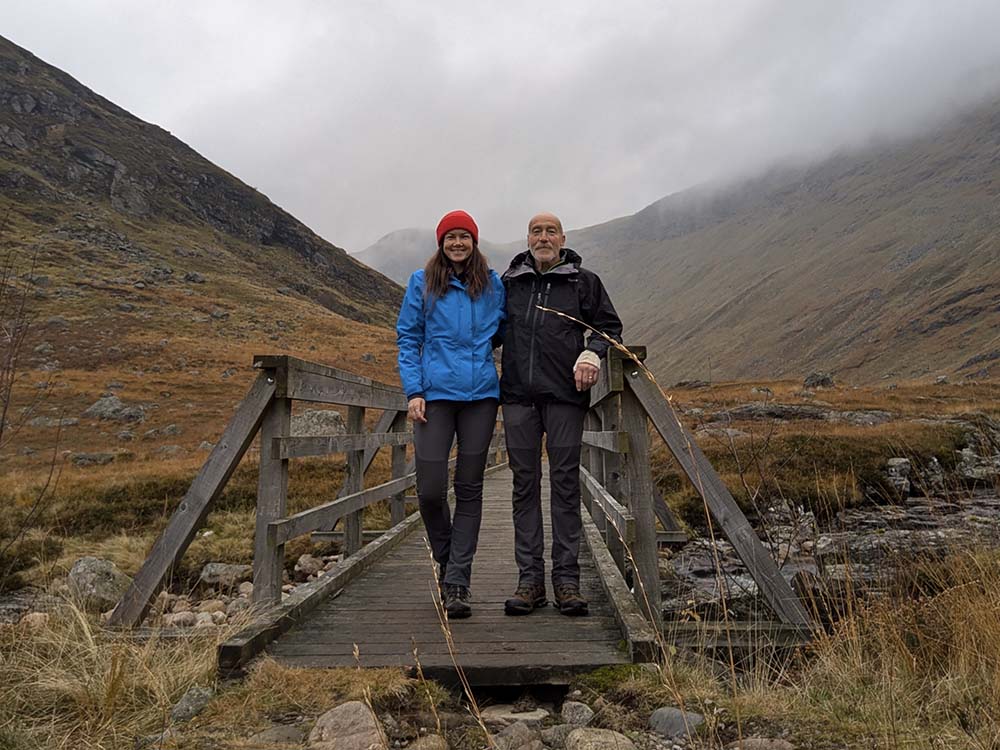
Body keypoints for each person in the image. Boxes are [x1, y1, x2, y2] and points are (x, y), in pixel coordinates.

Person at [499, 212, 623, 616]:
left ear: (562, 238)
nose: (543, 237)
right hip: (518, 397)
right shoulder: (510, 283)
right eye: (537, 231)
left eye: (550, 231)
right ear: (528, 238)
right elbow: (488, 332)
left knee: (565, 484)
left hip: (566, 398)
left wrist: (593, 352)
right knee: (524, 485)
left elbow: (608, 328)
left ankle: (567, 581)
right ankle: (530, 581)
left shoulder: (583, 282)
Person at [396, 210, 506, 619]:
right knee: (429, 490)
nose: (458, 243)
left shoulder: (493, 285)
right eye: (451, 237)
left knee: (470, 487)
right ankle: (448, 560)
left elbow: (507, 331)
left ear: (474, 241)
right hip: (435, 397)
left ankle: (458, 582)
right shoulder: (421, 283)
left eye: (465, 236)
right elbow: (408, 337)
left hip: (480, 397)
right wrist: (414, 390)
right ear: (441, 242)